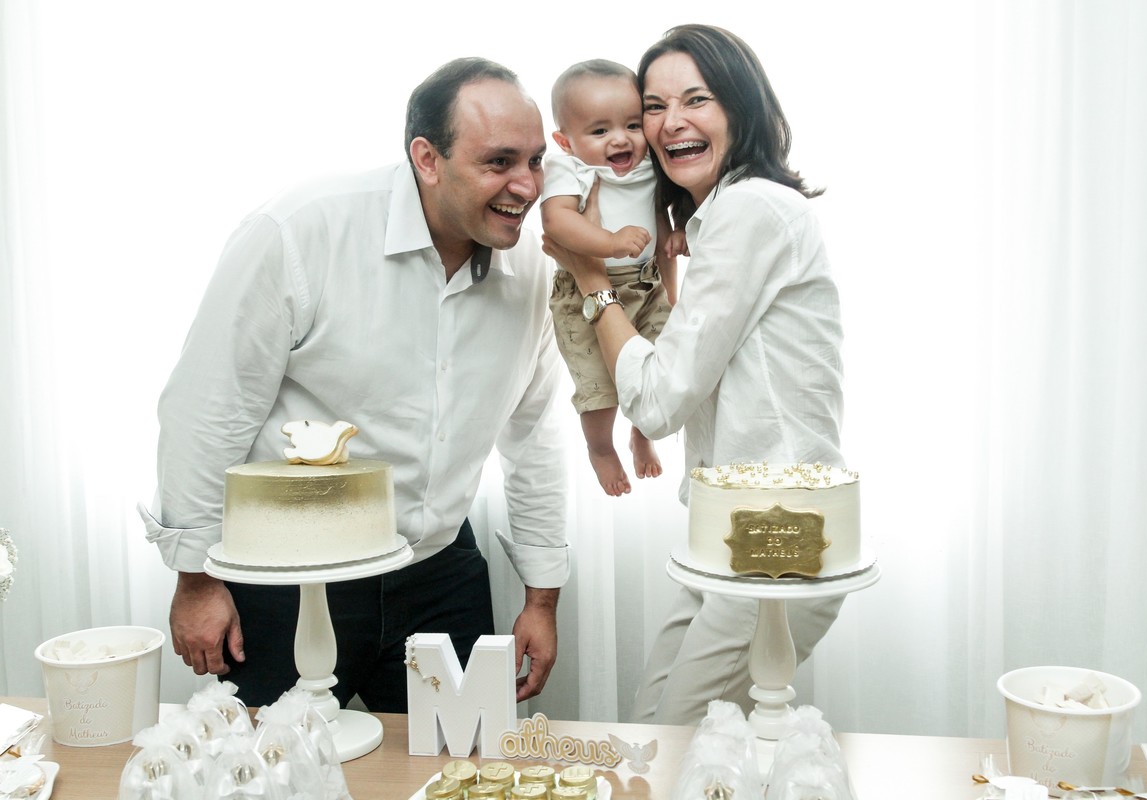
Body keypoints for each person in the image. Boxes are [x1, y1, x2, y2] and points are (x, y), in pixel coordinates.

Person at [140, 58, 568, 712]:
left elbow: (534, 437)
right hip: (291, 579)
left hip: (440, 572)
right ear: (427, 159)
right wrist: (195, 579)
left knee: (462, 760)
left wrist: (542, 599)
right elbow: (208, 409)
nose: (528, 186)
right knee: (285, 763)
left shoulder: (536, 270)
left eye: (536, 161)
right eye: (499, 162)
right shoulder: (301, 230)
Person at [543, 25, 846, 725]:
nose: (670, 121)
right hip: (729, 524)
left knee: (677, 743)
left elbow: (656, 403)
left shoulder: (751, 209)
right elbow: (678, 364)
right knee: (654, 732)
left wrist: (591, 280)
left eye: (696, 99)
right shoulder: (715, 220)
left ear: (740, 106)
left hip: (776, 531)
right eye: (654, 106)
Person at [541, 59, 684, 497]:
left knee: (660, 369)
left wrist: (676, 237)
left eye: (632, 125)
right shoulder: (571, 169)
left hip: (648, 284)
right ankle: (601, 447)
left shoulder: (650, 164)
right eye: (600, 131)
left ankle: (642, 433)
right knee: (600, 387)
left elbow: (661, 213)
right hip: (585, 293)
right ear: (566, 141)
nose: (621, 139)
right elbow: (557, 222)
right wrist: (609, 241)